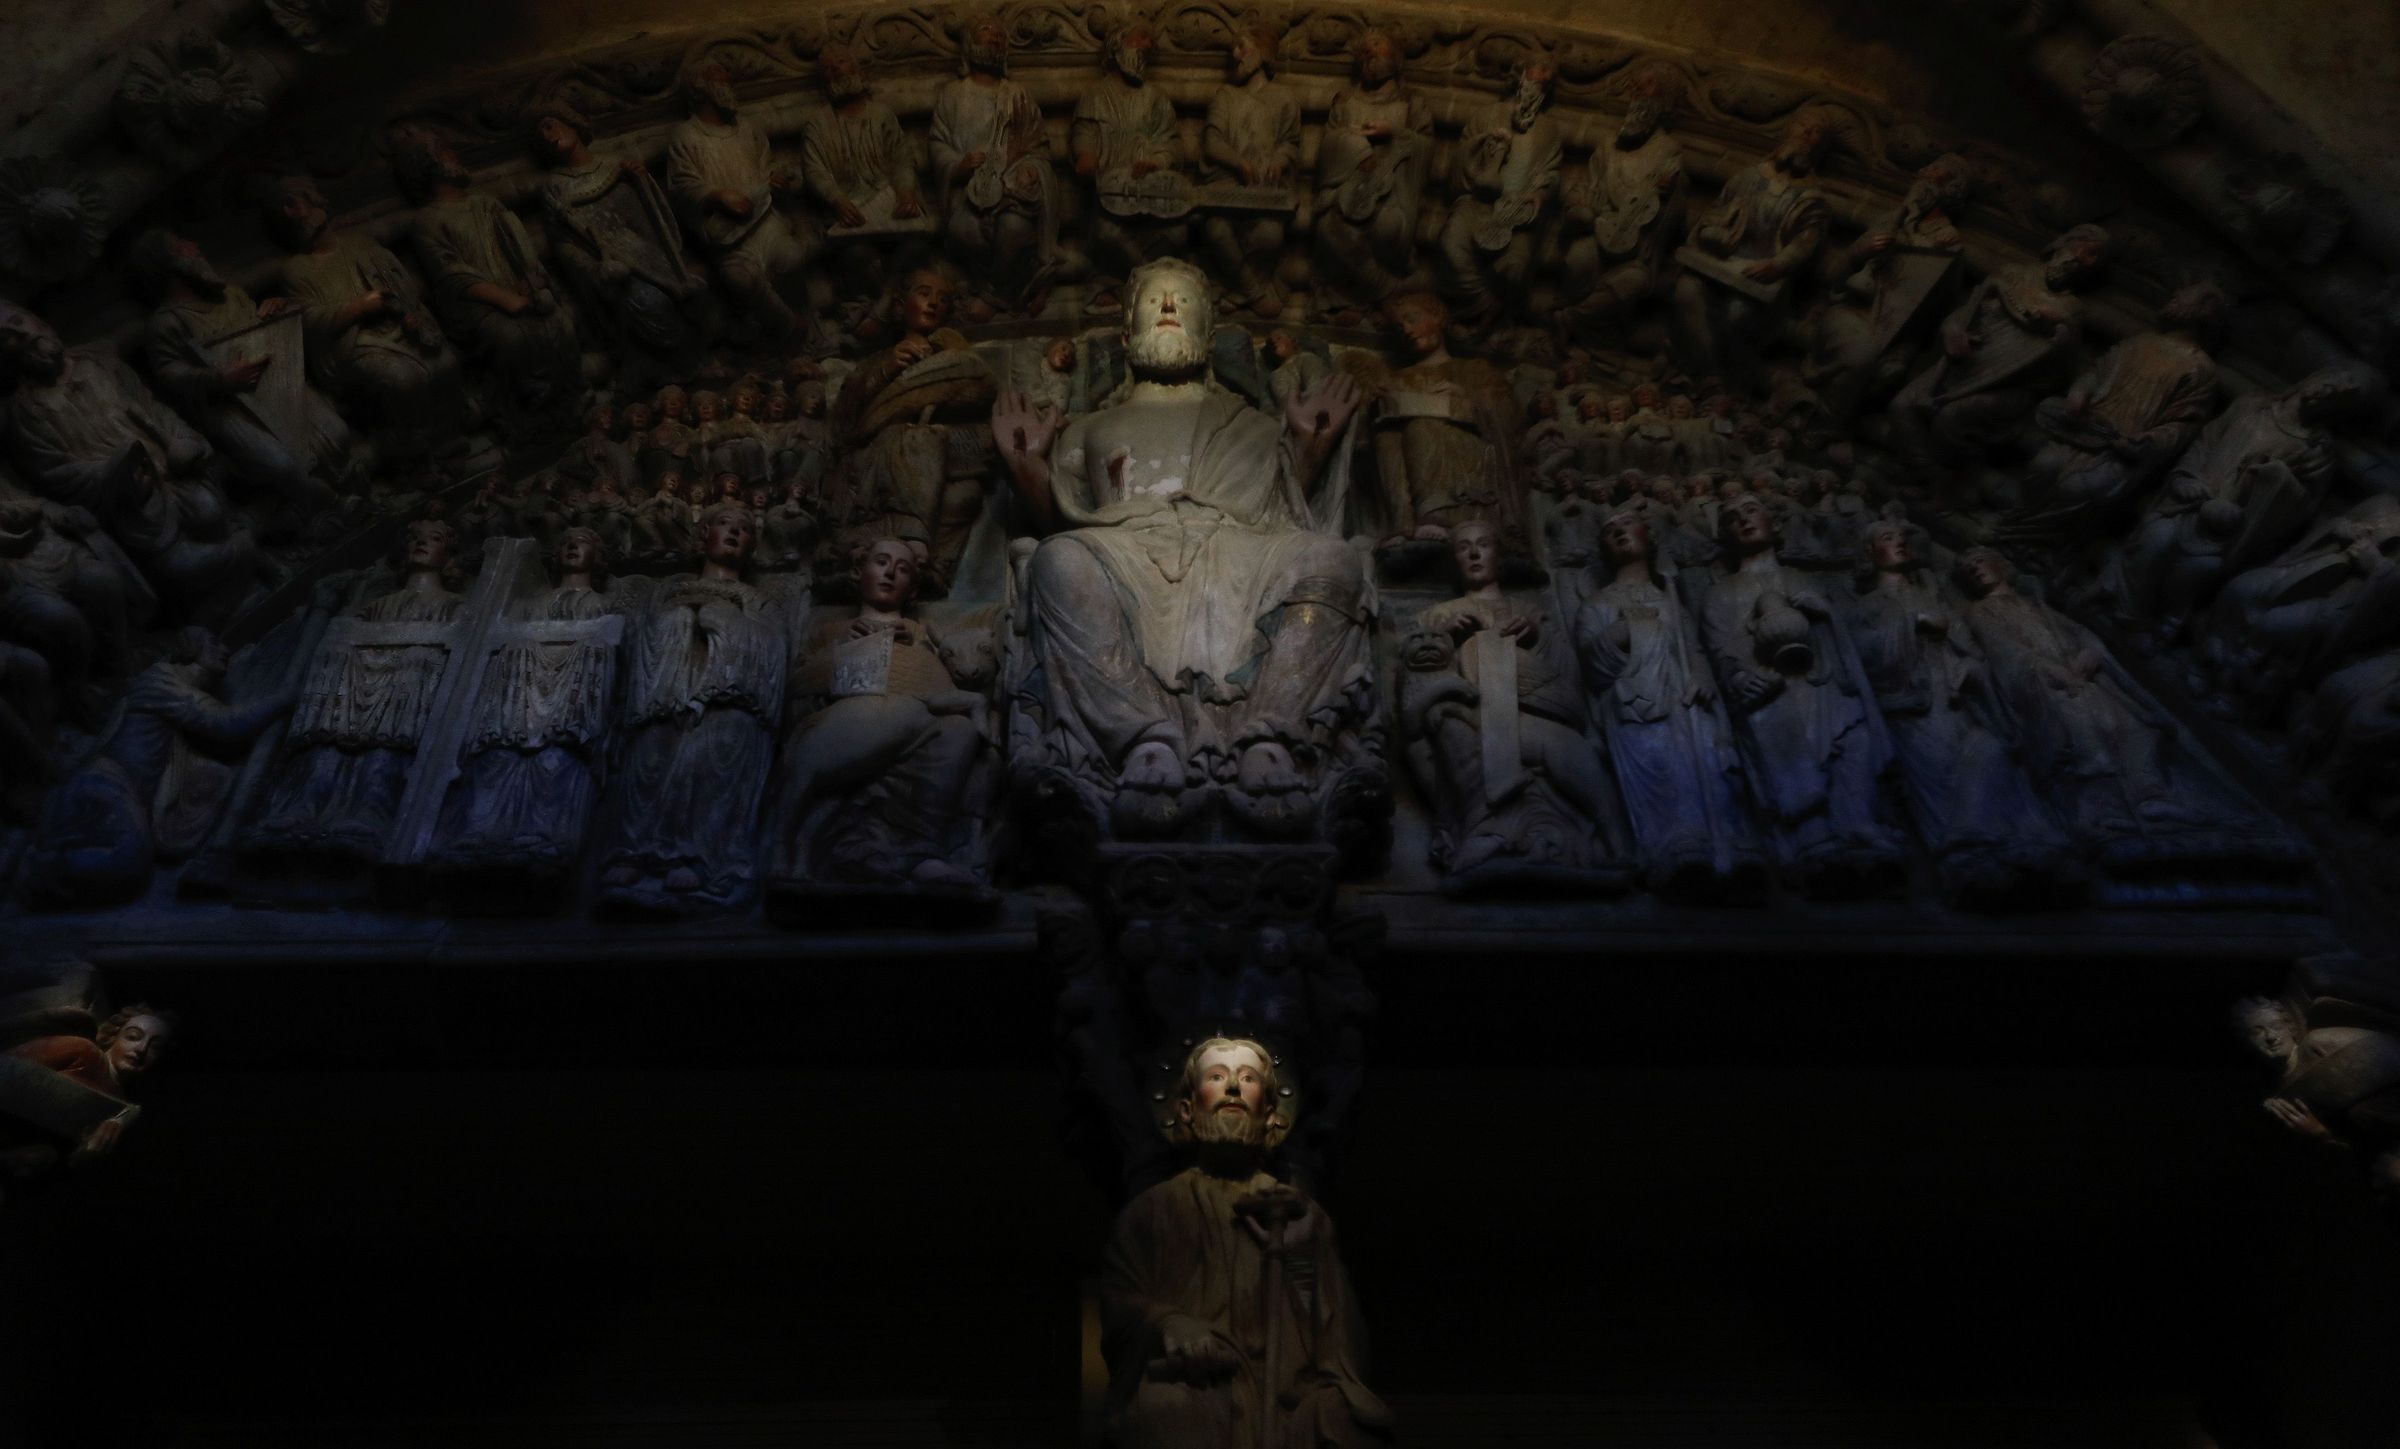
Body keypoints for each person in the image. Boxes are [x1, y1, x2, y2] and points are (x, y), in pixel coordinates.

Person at [990, 258, 1366, 834]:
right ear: (1126, 335)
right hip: (1126, 547)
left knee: (1332, 561)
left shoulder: (1253, 424)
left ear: (1210, 337)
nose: (1168, 308)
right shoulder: (1090, 426)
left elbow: (1280, 512)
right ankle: (1142, 734)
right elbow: (1062, 519)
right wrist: (1027, 464)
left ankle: (1270, 732)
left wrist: (1308, 447)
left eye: (1183, 301)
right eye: (1154, 300)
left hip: (1239, 549)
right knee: (1058, 560)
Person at [1100, 1036, 1394, 1449]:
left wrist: (1300, 1261)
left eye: (1248, 1079)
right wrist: (1168, 1322)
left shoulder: (1300, 1214)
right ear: (1186, 1109)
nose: (1233, 1088)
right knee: (1165, 1412)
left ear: (1271, 1114)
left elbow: (1342, 1340)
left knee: (1346, 1423)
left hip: (1286, 1394)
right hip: (1196, 1386)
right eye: (1217, 1077)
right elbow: (1118, 1300)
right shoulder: (1153, 1212)